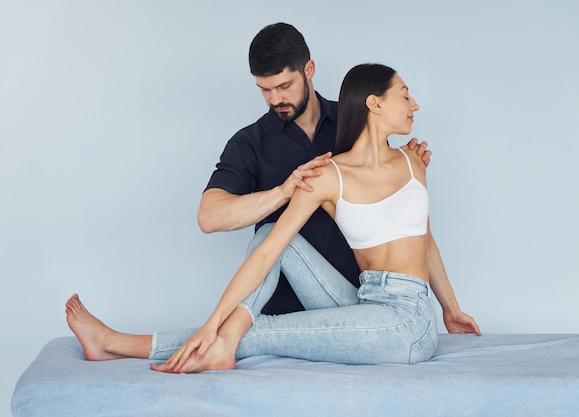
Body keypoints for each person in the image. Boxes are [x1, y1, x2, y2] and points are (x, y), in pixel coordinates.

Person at [66, 63, 480, 374]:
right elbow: (267, 253)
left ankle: (117, 343)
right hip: (366, 300)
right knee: (269, 235)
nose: (415, 104)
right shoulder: (327, 175)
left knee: (254, 331)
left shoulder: (413, 163)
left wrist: (451, 307)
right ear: (375, 104)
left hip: (408, 322)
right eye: (405, 95)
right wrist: (212, 324)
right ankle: (215, 341)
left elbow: (425, 238)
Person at [197, 22, 431, 315]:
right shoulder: (249, 143)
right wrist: (282, 193)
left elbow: (402, 199)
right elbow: (209, 217)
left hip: (355, 301)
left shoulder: (355, 123)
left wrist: (409, 162)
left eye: (284, 86)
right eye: (264, 90)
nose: (275, 100)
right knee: (267, 236)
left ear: (309, 69)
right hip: (283, 309)